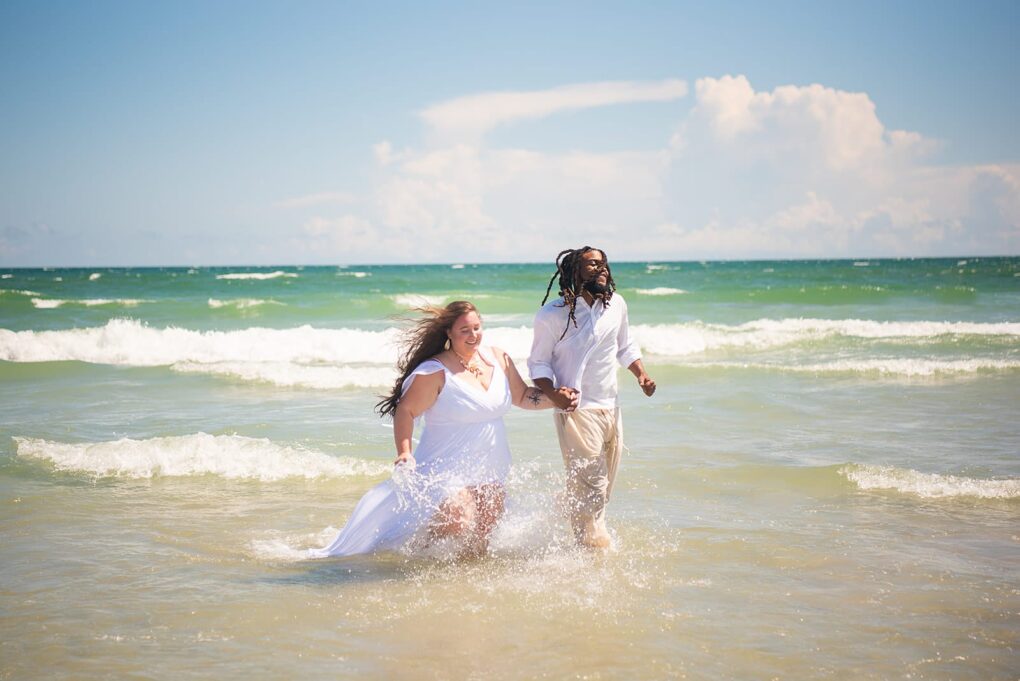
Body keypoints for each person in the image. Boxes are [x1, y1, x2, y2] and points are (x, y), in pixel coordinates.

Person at [309, 300, 564, 559]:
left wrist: (559, 398)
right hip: (446, 467)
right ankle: (413, 551)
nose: (473, 335)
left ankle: (460, 584)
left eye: (476, 327)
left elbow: (522, 397)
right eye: (464, 330)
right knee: (460, 520)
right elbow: (405, 411)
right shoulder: (435, 371)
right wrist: (404, 451)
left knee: (482, 539)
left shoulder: (498, 359)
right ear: (449, 333)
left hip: (491, 466)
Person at [528, 247, 656, 549]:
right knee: (593, 493)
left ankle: (563, 517)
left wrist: (641, 375)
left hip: (612, 408)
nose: (602, 270)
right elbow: (538, 363)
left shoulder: (616, 305)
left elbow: (625, 346)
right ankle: (593, 552)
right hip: (577, 411)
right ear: (574, 272)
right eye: (593, 265)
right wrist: (553, 394)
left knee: (602, 491)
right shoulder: (552, 315)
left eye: (604, 264)